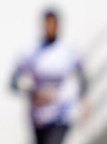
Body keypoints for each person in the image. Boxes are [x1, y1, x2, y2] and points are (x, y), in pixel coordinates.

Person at [10, 8, 88, 144]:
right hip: (38, 116)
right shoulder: (31, 51)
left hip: (62, 113)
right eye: (47, 24)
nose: (49, 28)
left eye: (52, 24)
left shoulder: (69, 50)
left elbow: (83, 79)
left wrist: (82, 99)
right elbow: (13, 82)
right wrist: (33, 93)